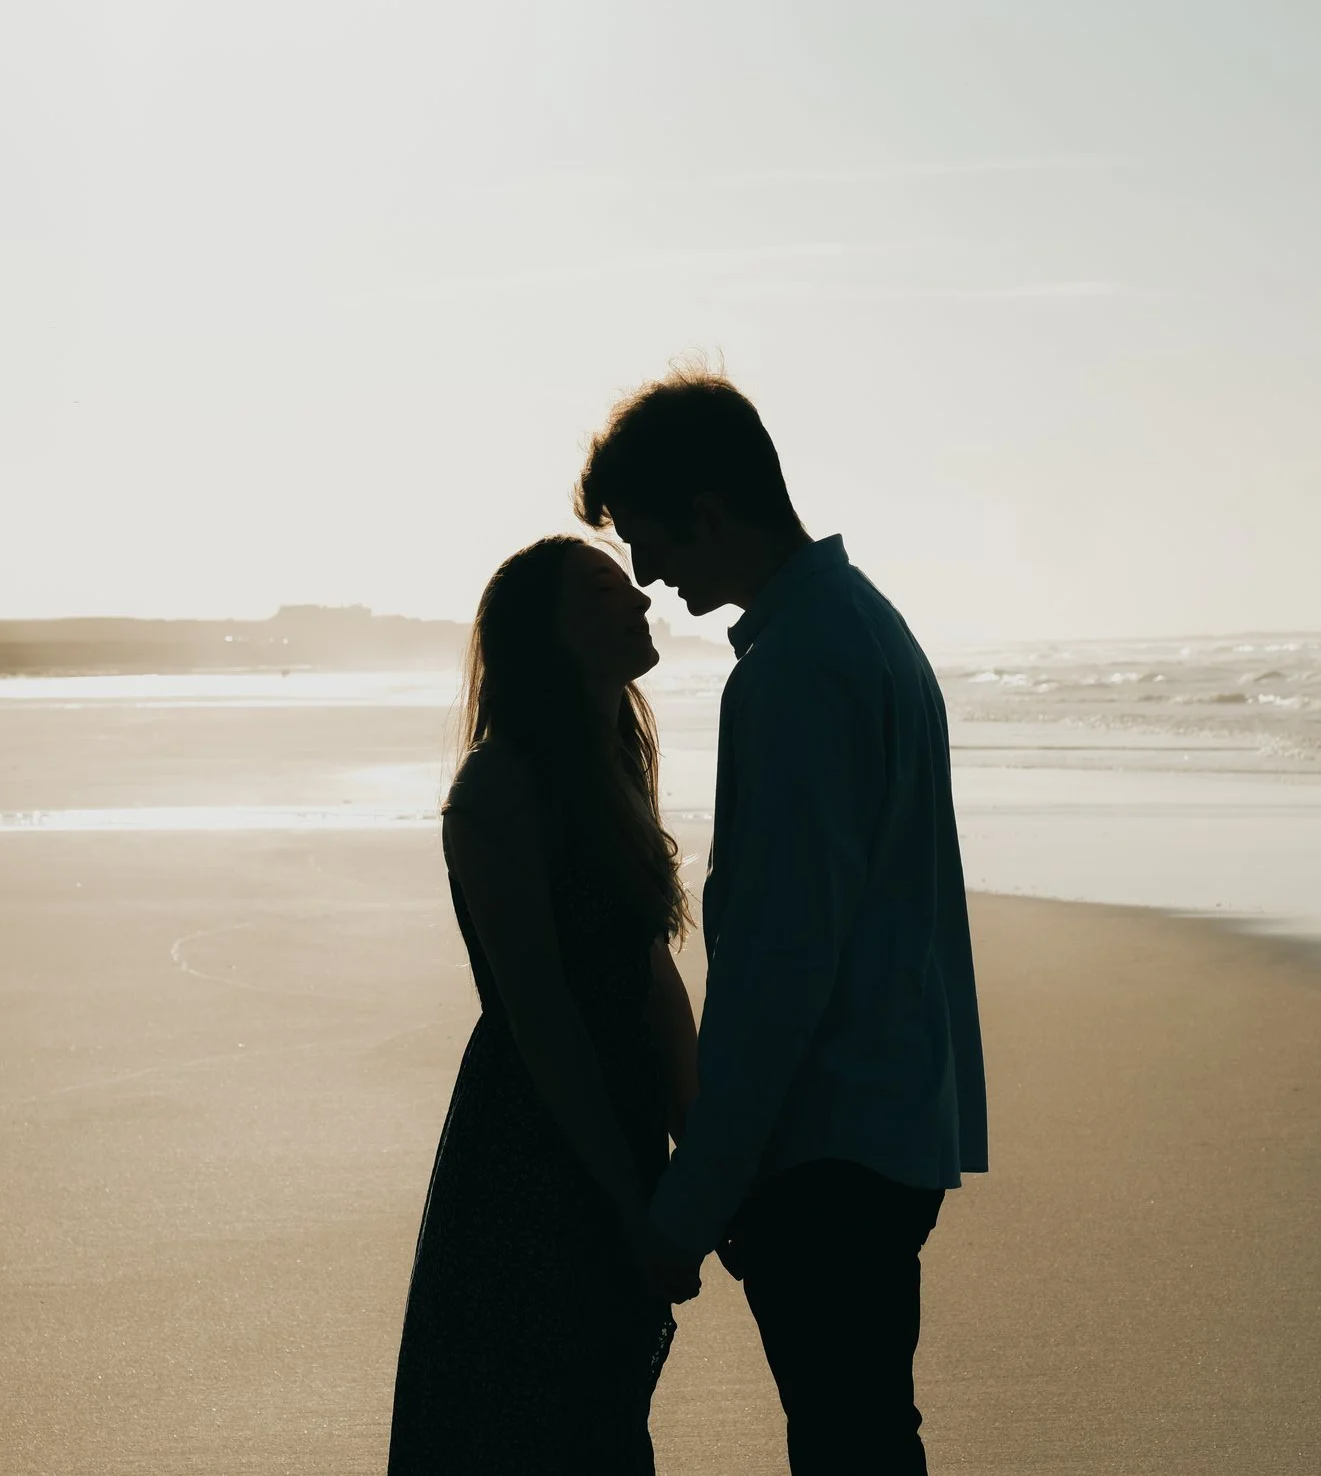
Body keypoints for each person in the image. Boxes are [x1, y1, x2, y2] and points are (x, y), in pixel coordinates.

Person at [577, 368, 989, 1476]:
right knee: (864, 1430)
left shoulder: (799, 669)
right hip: (890, 1126)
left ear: (708, 509)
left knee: (849, 1442)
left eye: (646, 536)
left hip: (829, 1148)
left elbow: (778, 971)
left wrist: (692, 1200)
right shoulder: (866, 629)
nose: (648, 572)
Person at [386, 536, 702, 1475]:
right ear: (548, 637)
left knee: (600, 1413)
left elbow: (651, 973)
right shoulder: (496, 788)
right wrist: (628, 1204)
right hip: (540, 1143)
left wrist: (705, 1150)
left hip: (623, 1127)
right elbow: (543, 1020)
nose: (642, 600)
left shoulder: (615, 765)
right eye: (608, 593)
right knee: (535, 1424)